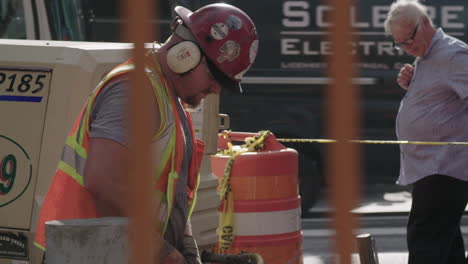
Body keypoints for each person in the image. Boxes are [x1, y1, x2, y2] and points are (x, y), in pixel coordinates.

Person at [33, 3, 258, 264]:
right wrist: (162, 252)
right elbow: (103, 182)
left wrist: (185, 247)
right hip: (88, 254)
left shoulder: (171, 102)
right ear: (186, 54)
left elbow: (172, 196)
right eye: (215, 76)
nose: (216, 89)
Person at [384, 1, 468, 263]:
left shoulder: (452, 55)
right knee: (445, 243)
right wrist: (413, 86)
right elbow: (441, 100)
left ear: (426, 23)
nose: (407, 48)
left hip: (445, 165)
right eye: (401, 44)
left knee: (425, 242)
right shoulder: (427, 57)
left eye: (408, 40)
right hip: (431, 165)